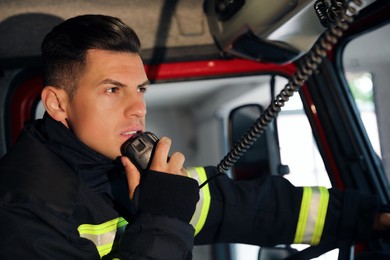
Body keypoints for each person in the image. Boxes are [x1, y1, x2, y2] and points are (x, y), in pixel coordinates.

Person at [0, 14, 389, 259]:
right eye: (113, 89)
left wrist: (368, 216)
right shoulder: (22, 210)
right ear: (56, 104)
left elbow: (244, 207)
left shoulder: (124, 165)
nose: (138, 108)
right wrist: (163, 218)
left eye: (141, 89)